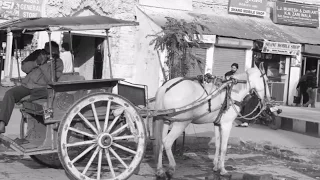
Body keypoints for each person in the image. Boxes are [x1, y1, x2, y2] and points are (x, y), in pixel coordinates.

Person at [0, 41, 64, 133]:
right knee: (10, 93)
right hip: (27, 86)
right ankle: (2, 123)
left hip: (42, 89)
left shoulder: (58, 63)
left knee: (47, 92)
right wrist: (36, 62)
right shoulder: (37, 54)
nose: (45, 53)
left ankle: (27, 98)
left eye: (49, 52)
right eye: (45, 51)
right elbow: (24, 67)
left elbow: (51, 79)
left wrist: (44, 64)